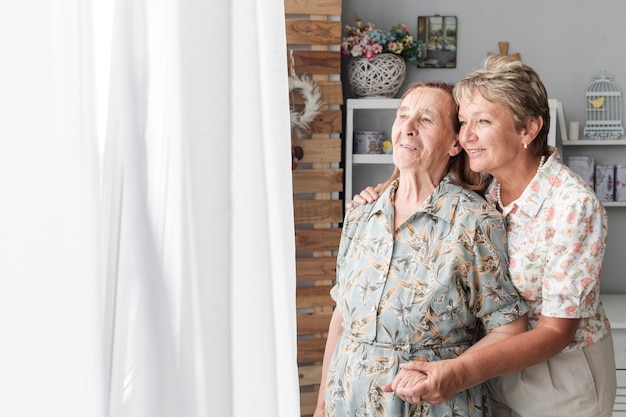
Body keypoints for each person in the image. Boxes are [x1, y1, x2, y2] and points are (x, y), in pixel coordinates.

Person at [354, 56, 617, 417]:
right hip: (490, 369)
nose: (467, 136)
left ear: (528, 129)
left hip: (559, 376)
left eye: (483, 122)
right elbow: (417, 175)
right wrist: (377, 194)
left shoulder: (573, 206)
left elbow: (556, 332)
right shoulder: (483, 186)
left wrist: (458, 372)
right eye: (463, 122)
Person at [313, 81, 529, 417]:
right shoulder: (361, 214)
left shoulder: (474, 222)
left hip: (434, 406)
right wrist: (322, 404)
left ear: (455, 143)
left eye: (426, 120)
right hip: (348, 402)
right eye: (402, 116)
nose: (408, 128)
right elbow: (341, 317)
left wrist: (456, 374)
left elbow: (508, 329)